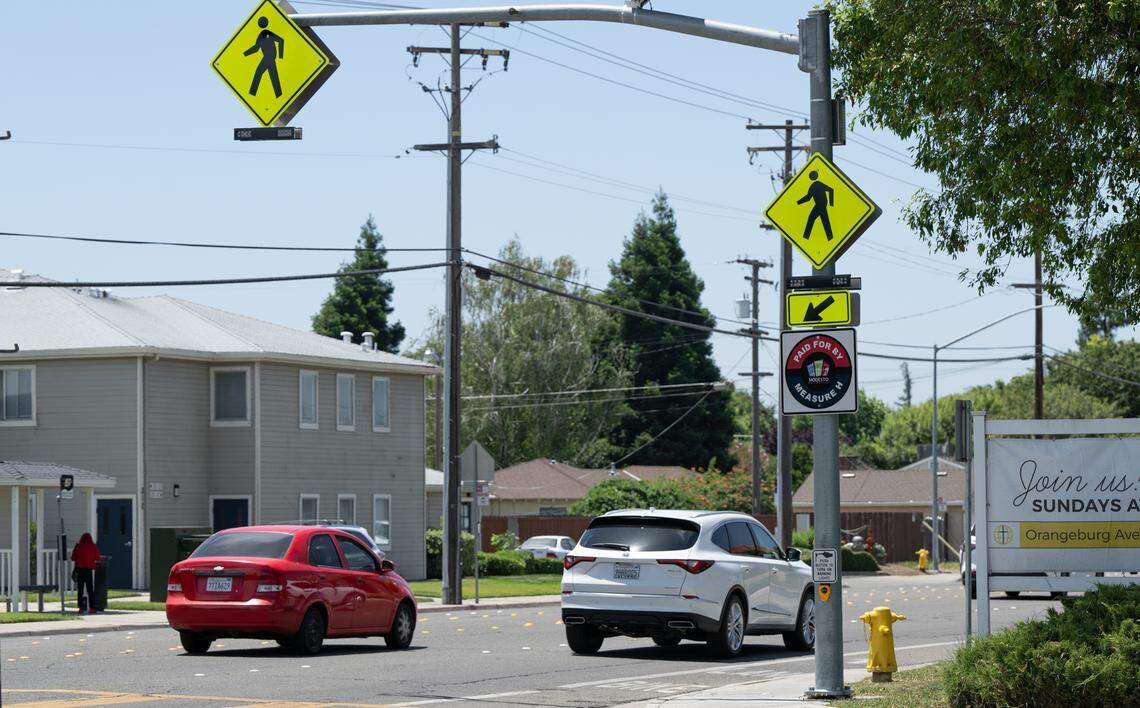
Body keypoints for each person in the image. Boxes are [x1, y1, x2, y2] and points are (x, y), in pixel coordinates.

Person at [797, 170, 835, 241]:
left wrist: (831, 203)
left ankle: (805, 237)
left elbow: (831, 190)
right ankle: (830, 238)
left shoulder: (817, 184)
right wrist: (798, 202)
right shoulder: (814, 185)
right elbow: (808, 198)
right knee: (825, 222)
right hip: (820, 205)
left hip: (820, 205)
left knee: (812, 219)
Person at [71, 533, 100, 614]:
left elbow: (73, 558)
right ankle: (92, 608)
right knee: (90, 590)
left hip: (80, 570)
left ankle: (80, 608)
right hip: (88, 570)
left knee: (80, 590)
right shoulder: (93, 546)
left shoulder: (78, 546)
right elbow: (97, 557)